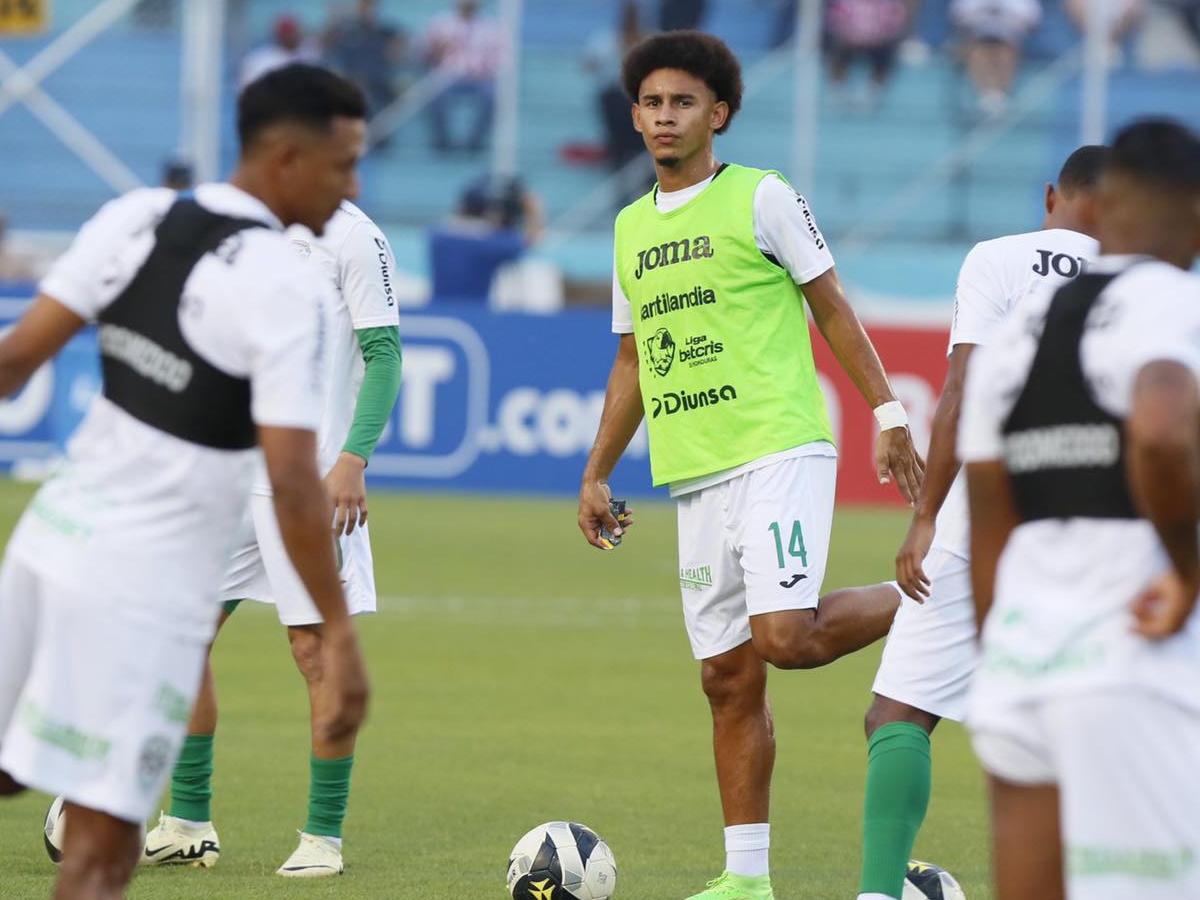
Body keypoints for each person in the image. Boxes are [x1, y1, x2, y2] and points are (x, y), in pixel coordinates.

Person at [0, 63, 370, 900]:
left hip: (50, 544)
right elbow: (290, 476)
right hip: (148, 585)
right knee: (102, 851)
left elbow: (15, 360)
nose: (352, 185)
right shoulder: (284, 285)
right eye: (342, 165)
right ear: (285, 157)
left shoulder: (134, 217)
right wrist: (341, 636)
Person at [578, 31, 923, 900]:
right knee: (727, 677)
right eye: (652, 102)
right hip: (694, 471)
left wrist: (887, 411)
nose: (665, 116)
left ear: (717, 114)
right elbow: (632, 364)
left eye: (683, 102)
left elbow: (831, 306)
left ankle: (949, 594)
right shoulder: (627, 229)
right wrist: (595, 472)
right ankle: (746, 881)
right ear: (634, 116)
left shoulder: (762, 196)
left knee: (786, 639)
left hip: (776, 445)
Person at [853, 145, 1107, 900]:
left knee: (897, 713)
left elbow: (965, 384)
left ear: (1052, 196)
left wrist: (925, 516)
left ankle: (876, 894)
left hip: (990, 504)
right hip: (1100, 513)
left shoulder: (997, 260)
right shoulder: (1155, 285)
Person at [961, 118, 1200, 900]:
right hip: (1129, 662)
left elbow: (990, 504)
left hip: (1020, 663)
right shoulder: (1170, 301)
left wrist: (1000, 642)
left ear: (1097, 206)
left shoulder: (1024, 325)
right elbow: (1162, 433)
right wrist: (1188, 568)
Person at [139, 199, 402, 876]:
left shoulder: (356, 238)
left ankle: (322, 839)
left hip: (307, 477)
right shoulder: (247, 229)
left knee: (312, 650)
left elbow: (384, 353)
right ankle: (188, 821)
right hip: (232, 471)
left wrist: (354, 457)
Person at [428, 174, 543, 303]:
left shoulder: (438, 234)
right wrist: (533, 211)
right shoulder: (487, 244)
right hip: (473, 312)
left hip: (438, 308)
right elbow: (529, 241)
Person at [424, 0, 504, 154]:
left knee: (491, 96)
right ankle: (443, 143)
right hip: (447, 76)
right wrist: (438, 50)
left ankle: (474, 143)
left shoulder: (490, 27)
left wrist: (486, 71)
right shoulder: (441, 23)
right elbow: (425, 54)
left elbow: (501, 58)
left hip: (480, 78)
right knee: (435, 95)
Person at [950, 0, 1042, 116]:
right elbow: (959, 15)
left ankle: (1000, 94)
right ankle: (987, 95)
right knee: (978, 52)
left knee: (1005, 52)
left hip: (1010, 34)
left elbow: (1031, 17)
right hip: (978, 33)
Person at [826, 0, 914, 110]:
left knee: (888, 51)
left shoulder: (889, 4)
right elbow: (835, 23)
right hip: (851, 42)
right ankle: (839, 88)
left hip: (878, 43)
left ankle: (873, 91)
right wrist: (853, 37)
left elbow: (897, 27)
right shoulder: (846, 2)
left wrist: (877, 38)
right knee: (838, 48)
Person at [324, 0, 404, 114]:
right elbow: (328, 45)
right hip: (355, 89)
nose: (366, 10)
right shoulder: (347, 31)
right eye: (363, 6)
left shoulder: (383, 31)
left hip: (379, 89)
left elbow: (401, 46)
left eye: (369, 6)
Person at [239, 14, 320, 88]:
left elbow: (323, 40)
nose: (293, 37)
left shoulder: (307, 52)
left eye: (294, 33)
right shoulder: (258, 60)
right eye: (288, 34)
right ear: (279, 35)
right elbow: (247, 91)